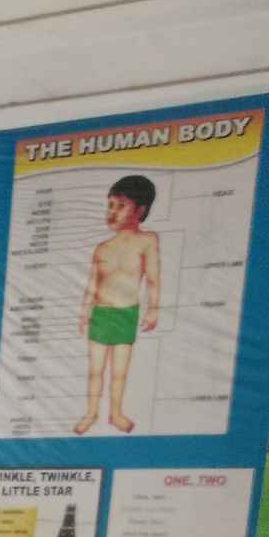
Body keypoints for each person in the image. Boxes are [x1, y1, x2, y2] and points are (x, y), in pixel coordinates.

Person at [76, 174, 159, 435]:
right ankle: (91, 413)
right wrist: (84, 313)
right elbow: (92, 285)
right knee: (95, 370)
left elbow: (153, 277)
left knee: (119, 371)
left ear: (140, 211)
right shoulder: (102, 248)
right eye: (110, 205)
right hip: (101, 313)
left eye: (121, 206)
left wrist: (153, 308)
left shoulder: (147, 240)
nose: (112, 212)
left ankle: (115, 413)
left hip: (126, 313)